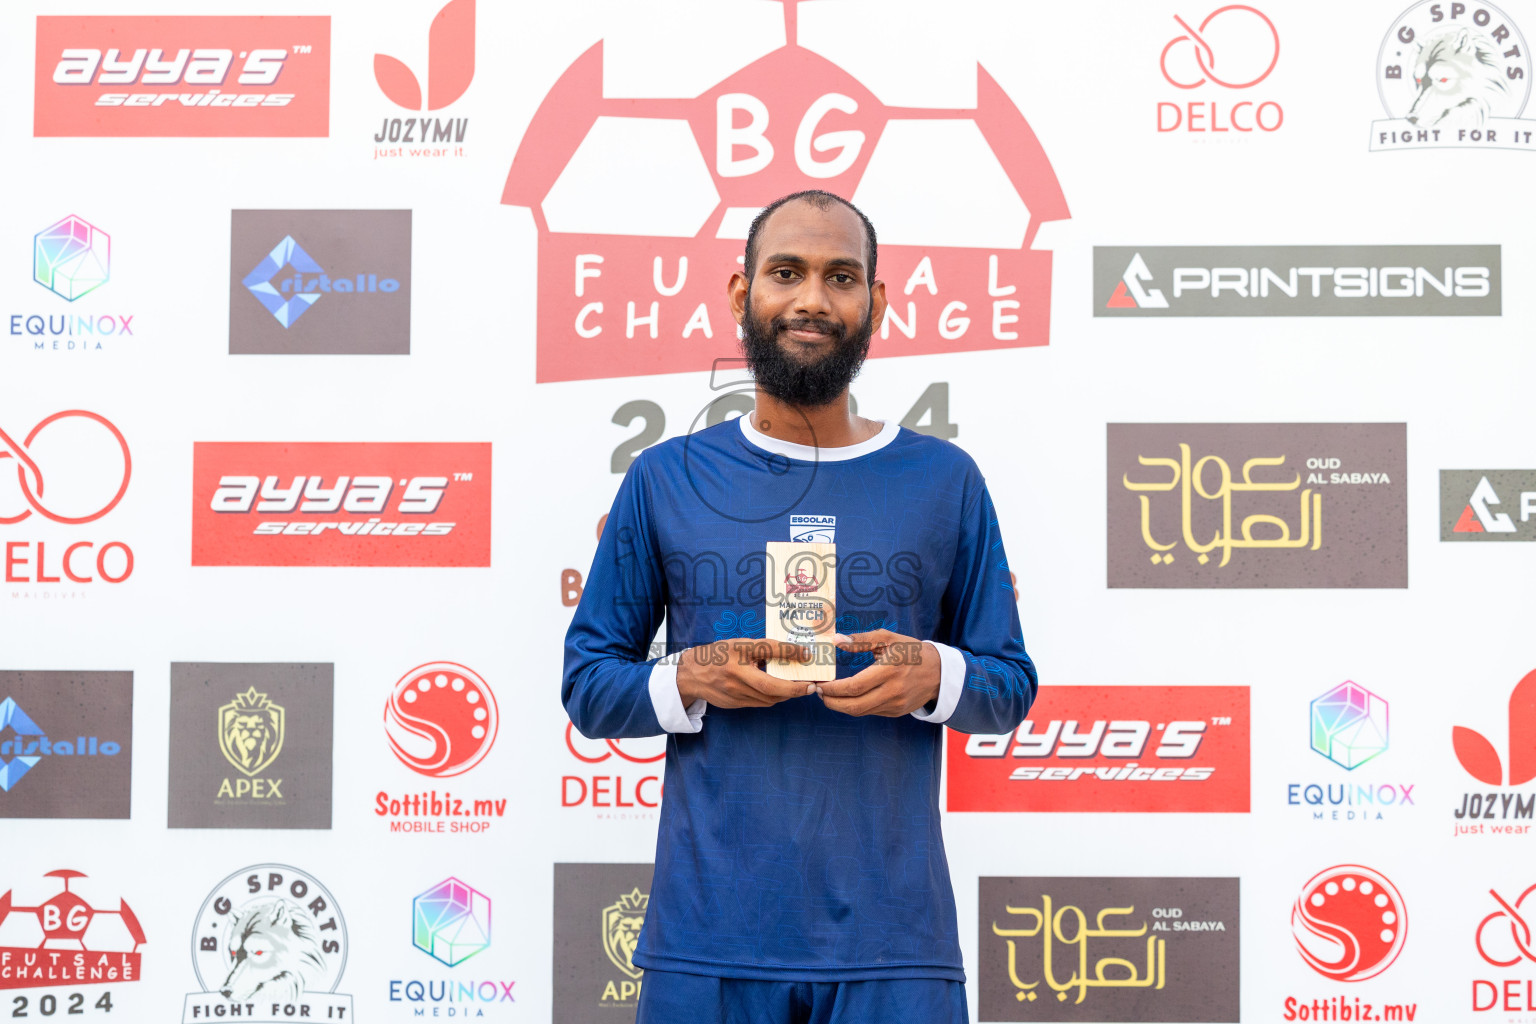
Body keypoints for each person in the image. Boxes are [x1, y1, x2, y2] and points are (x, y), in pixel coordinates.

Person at [563, 190, 1038, 1024]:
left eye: (840, 276)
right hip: (708, 944)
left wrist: (936, 674)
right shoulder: (664, 478)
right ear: (742, 293)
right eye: (787, 273)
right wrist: (691, 677)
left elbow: (1008, 685)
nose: (813, 298)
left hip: (896, 946)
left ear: (876, 304)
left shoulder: (945, 480)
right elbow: (589, 686)